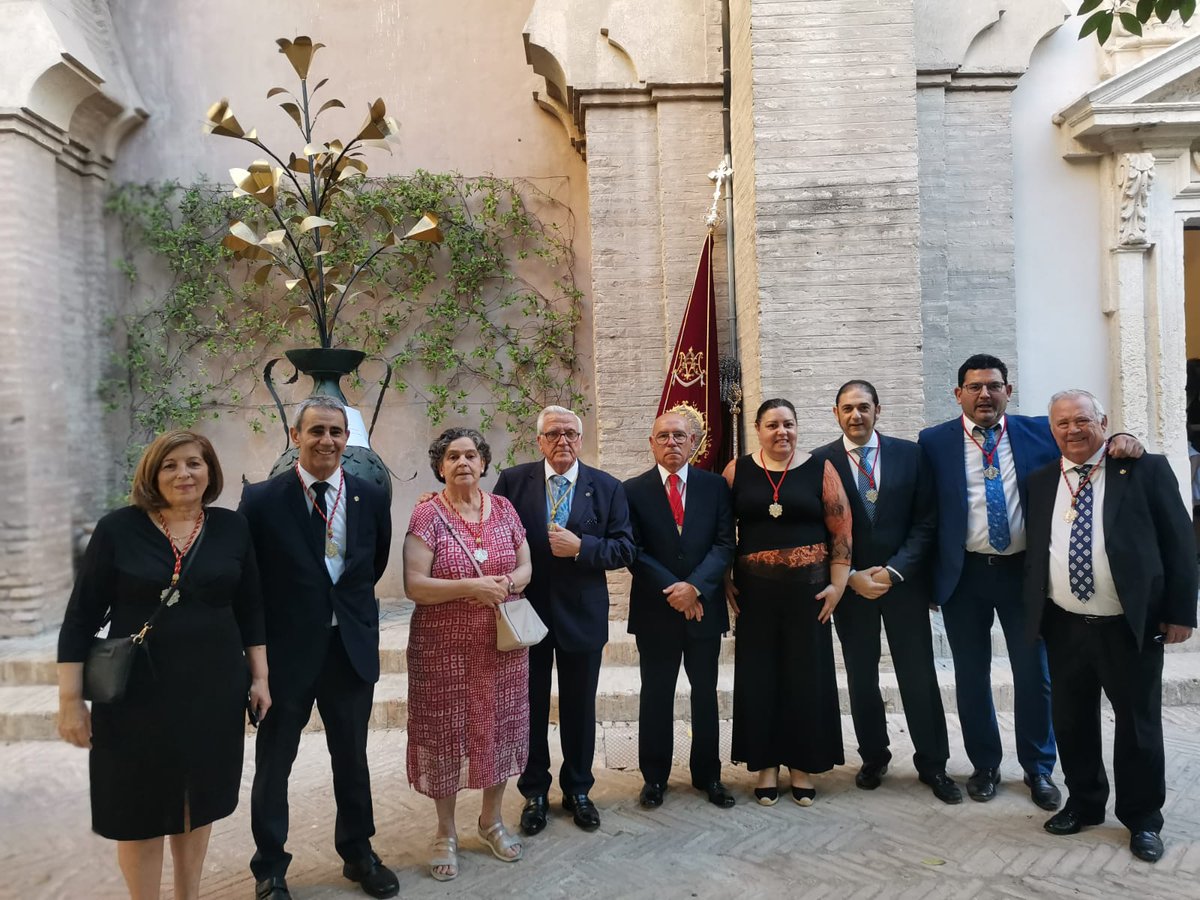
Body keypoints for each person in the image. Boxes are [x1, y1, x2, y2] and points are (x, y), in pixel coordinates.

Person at [918, 354, 1142, 810]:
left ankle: (1039, 768)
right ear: (958, 393)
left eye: (994, 385)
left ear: (1009, 391)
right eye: (975, 386)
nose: (985, 394)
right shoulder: (933, 441)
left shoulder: (1041, 431)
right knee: (971, 676)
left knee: (1034, 672)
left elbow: (1088, 441)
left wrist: (1122, 436)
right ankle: (985, 765)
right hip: (964, 575)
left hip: (1027, 575)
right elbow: (926, 512)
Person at [57, 430, 270, 900]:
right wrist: (70, 701)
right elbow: (79, 618)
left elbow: (251, 608)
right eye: (170, 465)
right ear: (152, 474)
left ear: (209, 470)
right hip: (135, 695)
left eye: (194, 463)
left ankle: (187, 896)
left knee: (199, 800)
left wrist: (260, 677)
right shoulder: (117, 529)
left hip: (212, 690)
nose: (183, 473)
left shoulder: (232, 527)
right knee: (138, 809)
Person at [1024, 390, 1196, 863]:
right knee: (1073, 721)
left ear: (1103, 421)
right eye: (1062, 423)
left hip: (1128, 625)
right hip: (1064, 625)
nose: (1073, 430)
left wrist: (1182, 611)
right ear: (1051, 429)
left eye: (1083, 420)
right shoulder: (1040, 482)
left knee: (1138, 726)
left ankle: (1142, 818)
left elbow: (1180, 542)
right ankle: (1084, 804)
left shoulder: (1144, 470)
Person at [239, 396, 397, 900]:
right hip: (287, 654)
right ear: (295, 435)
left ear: (346, 439)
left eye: (335, 431)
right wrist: (256, 666)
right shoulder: (262, 500)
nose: (326, 440)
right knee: (275, 761)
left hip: (348, 648)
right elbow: (253, 584)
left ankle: (357, 852)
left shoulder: (370, 497)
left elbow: (369, 568)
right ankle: (269, 867)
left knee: (351, 757)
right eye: (316, 431)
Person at [813, 381, 959, 804]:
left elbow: (926, 521)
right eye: (847, 409)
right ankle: (874, 756)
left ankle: (933, 763)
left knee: (919, 674)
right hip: (852, 587)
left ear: (878, 409)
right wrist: (852, 575)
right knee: (861, 676)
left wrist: (896, 571)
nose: (855, 415)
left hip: (904, 585)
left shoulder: (911, 455)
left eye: (863, 407)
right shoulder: (820, 462)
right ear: (835, 413)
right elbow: (819, 530)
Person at [493, 405, 636, 834]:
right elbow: (494, 531)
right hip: (527, 617)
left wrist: (582, 548)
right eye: (553, 433)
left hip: (582, 616)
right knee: (529, 708)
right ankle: (534, 792)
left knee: (579, 708)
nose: (563, 441)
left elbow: (625, 549)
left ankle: (578, 790)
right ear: (539, 441)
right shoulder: (513, 482)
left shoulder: (607, 487)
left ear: (581, 438)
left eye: (571, 433)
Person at [403, 427, 533, 881]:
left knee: (499, 726)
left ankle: (491, 821)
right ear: (440, 465)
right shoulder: (427, 517)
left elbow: (526, 564)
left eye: (471, 455)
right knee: (445, 735)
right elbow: (415, 585)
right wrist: (471, 587)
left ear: (483, 463)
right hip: (442, 649)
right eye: (453, 456)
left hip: (501, 645)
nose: (463, 462)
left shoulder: (505, 509)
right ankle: (445, 832)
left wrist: (508, 584)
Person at [723, 398, 851, 805]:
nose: (782, 431)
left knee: (805, 677)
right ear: (757, 430)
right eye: (773, 424)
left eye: (789, 424)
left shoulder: (820, 468)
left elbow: (841, 529)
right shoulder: (736, 471)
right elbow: (720, 530)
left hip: (809, 596)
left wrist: (838, 586)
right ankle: (765, 765)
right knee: (760, 678)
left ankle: (802, 764)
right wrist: (724, 579)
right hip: (755, 597)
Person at [623, 409, 736, 810]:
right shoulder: (632, 490)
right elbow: (631, 549)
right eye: (663, 436)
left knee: (705, 692)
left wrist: (696, 588)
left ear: (694, 443)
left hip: (704, 608)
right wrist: (675, 590)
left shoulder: (715, 487)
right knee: (656, 694)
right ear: (651, 444)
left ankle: (709, 775)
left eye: (679, 436)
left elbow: (725, 544)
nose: (671, 443)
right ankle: (654, 778)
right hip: (656, 610)